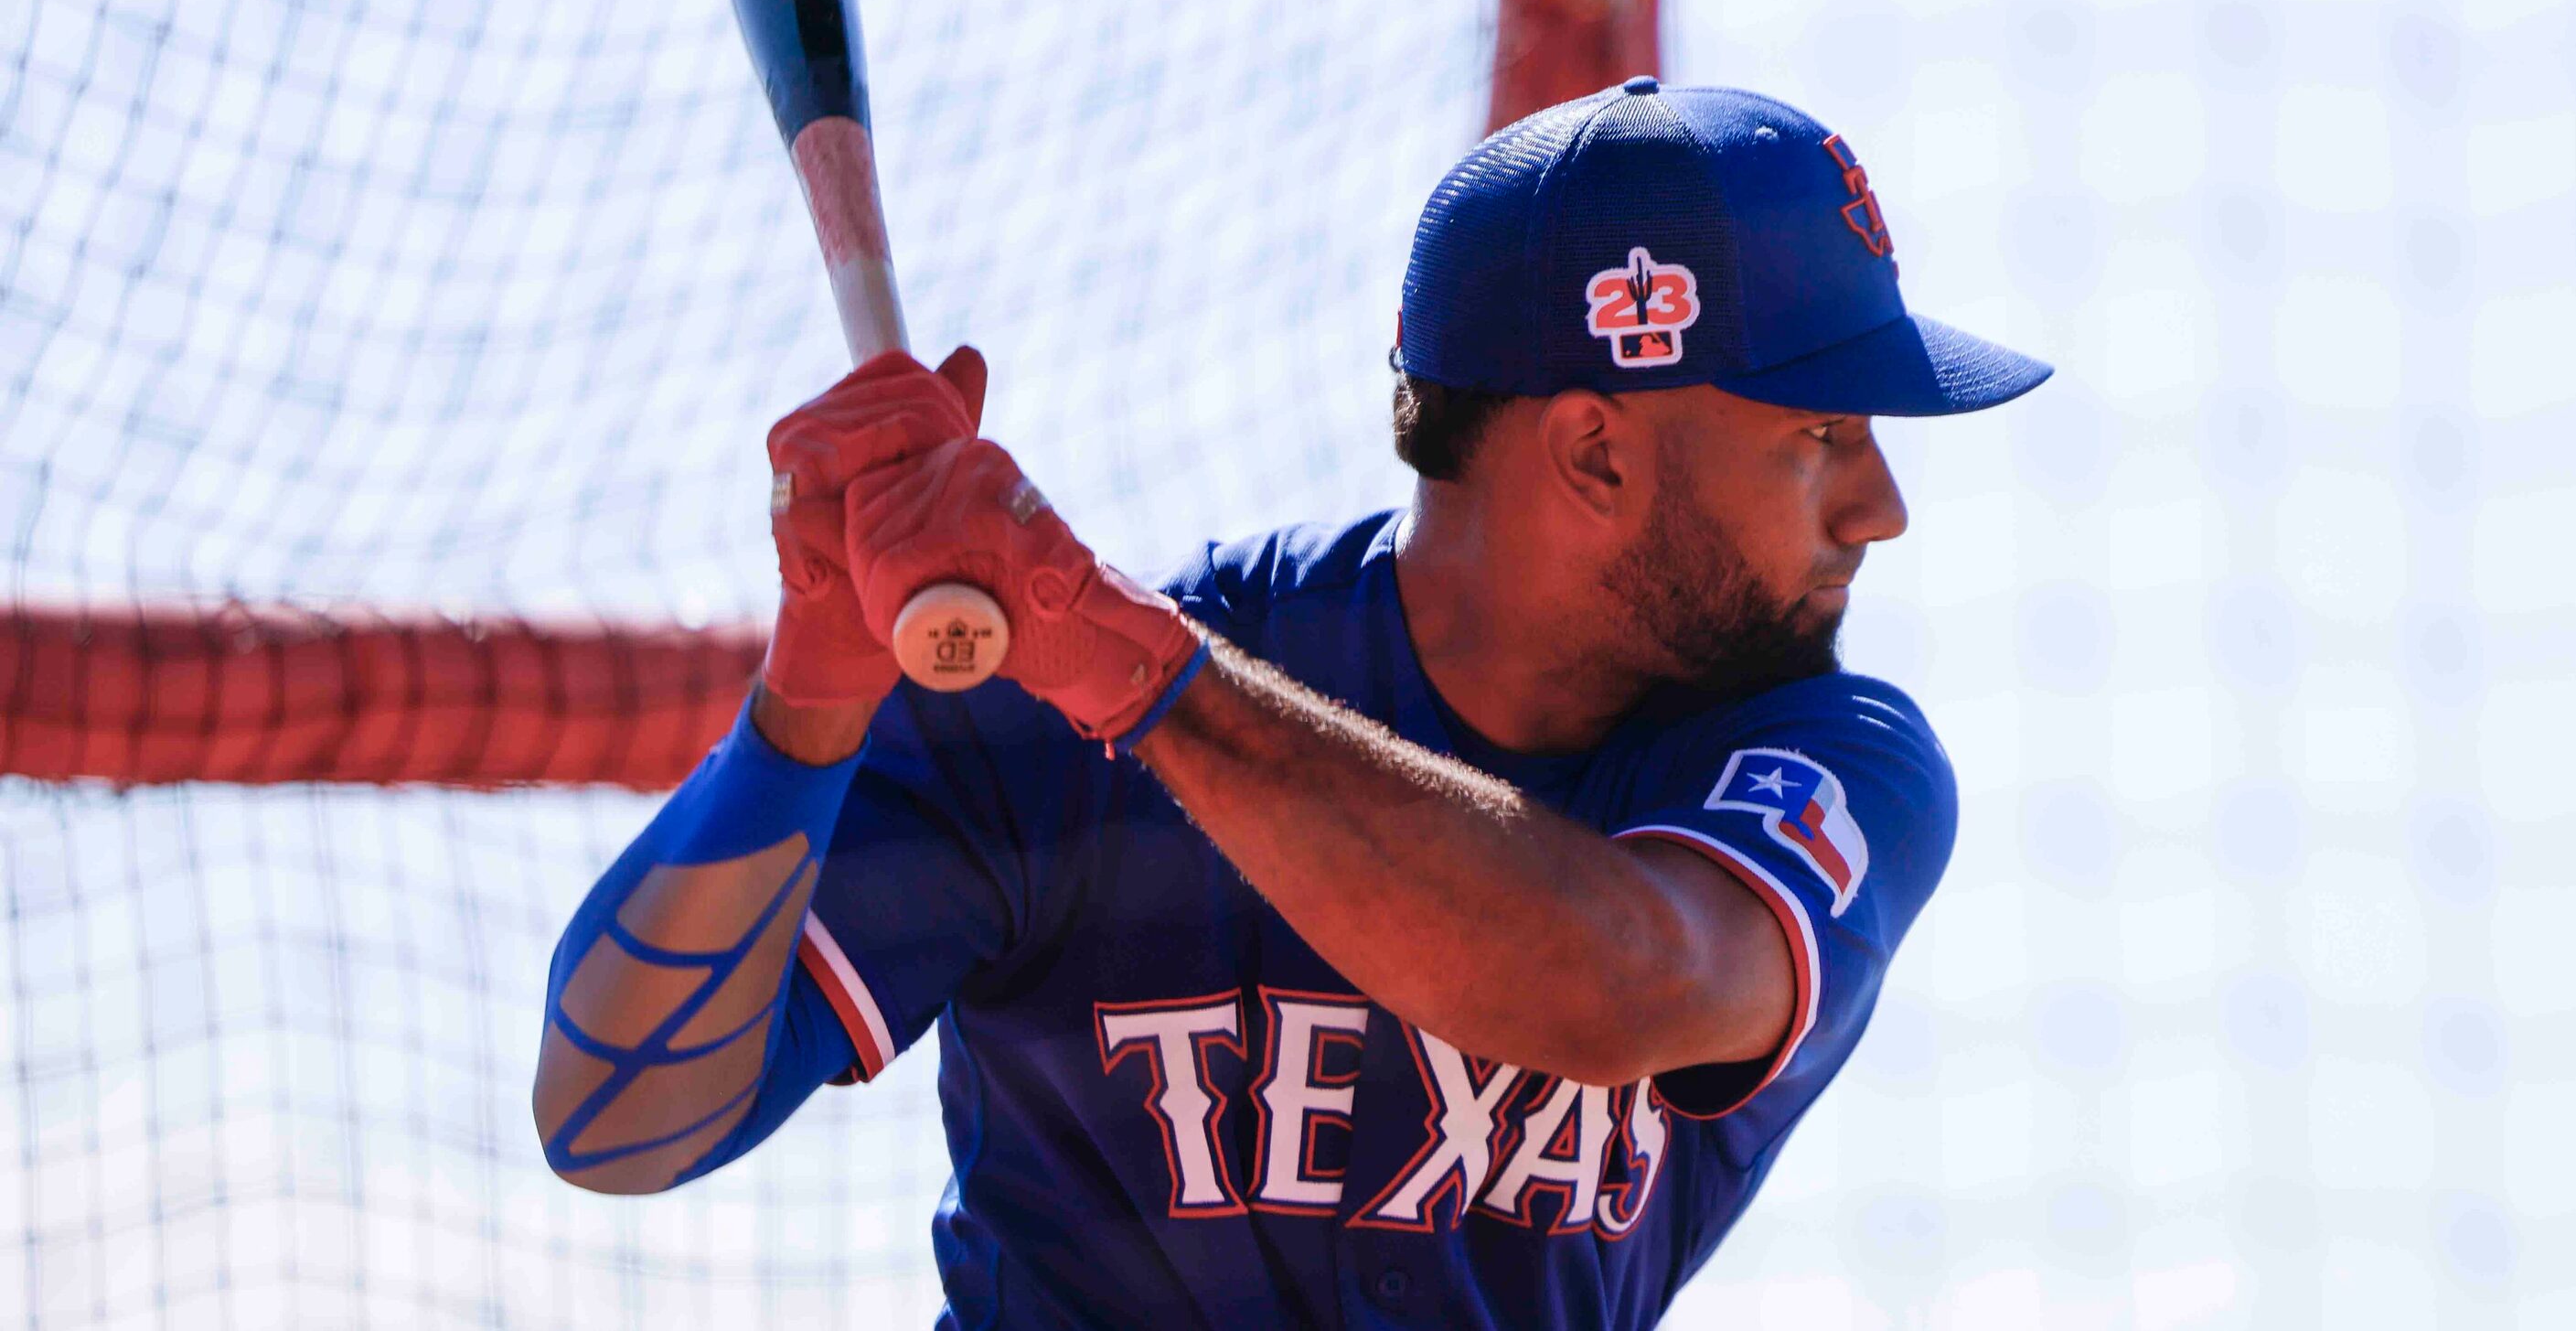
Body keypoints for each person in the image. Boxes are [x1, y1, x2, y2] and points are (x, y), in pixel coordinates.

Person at [534, 79, 2051, 1327]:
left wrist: (1117, 661)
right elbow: (613, 1120)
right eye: (1822, 433)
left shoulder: (1826, 759)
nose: (1880, 505)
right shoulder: (1071, 712)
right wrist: (807, 695)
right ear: (1594, 454)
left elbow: (1624, 985)